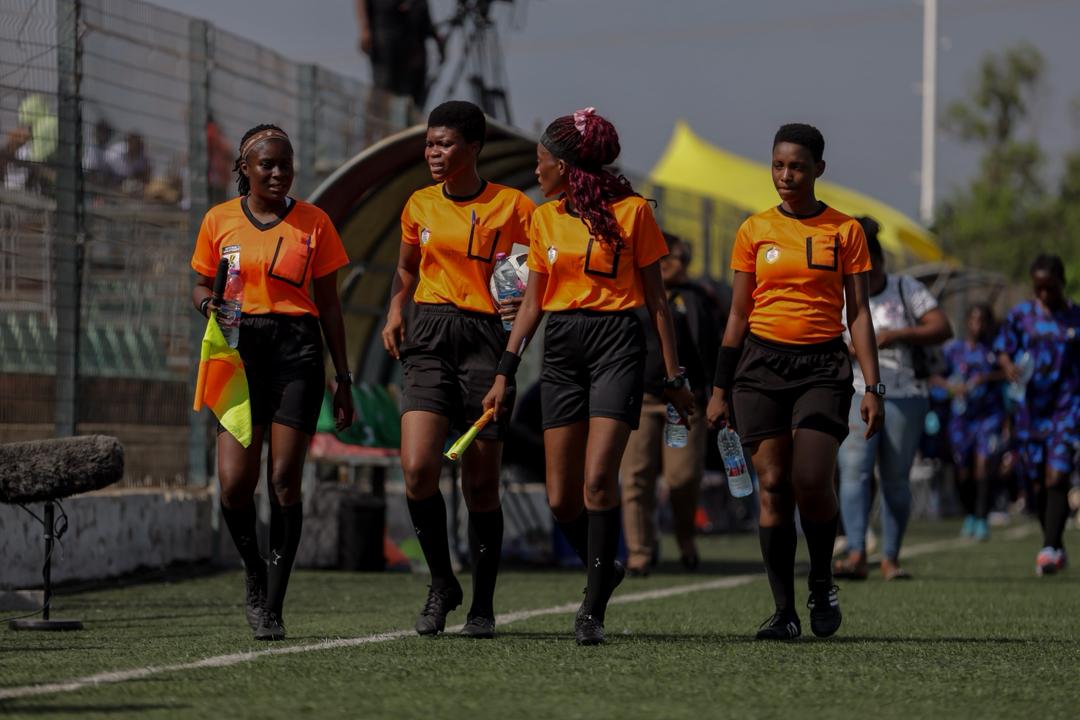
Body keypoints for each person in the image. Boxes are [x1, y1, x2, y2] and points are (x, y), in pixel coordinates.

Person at [484, 107, 695, 646]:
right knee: (561, 498)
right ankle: (606, 566)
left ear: (565, 164)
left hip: (617, 346)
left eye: (541, 161)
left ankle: (593, 607)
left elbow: (658, 303)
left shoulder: (633, 214)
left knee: (600, 480)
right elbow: (532, 302)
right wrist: (505, 371)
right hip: (562, 348)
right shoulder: (543, 216)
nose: (536, 171)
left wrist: (674, 376)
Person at [706, 123, 884, 641]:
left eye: (798, 166)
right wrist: (719, 388)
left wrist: (873, 388)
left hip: (822, 368)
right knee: (775, 487)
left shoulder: (844, 231)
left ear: (819, 170)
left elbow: (860, 315)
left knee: (810, 478)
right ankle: (783, 612)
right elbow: (737, 315)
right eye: (779, 165)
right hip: (759, 368)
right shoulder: (753, 230)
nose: (786, 175)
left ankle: (823, 578)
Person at [190, 124, 354, 641]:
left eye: (286, 164)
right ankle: (254, 573)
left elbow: (329, 304)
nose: (279, 173)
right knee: (237, 483)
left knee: (284, 479)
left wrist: (343, 378)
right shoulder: (218, 220)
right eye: (267, 165)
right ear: (245, 169)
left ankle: (274, 603)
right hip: (237, 352)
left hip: (296, 350)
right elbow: (198, 282)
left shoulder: (315, 223)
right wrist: (205, 303)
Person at [381, 100, 534, 639]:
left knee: (481, 485)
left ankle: (483, 607)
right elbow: (404, 268)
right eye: (429, 144)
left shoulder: (514, 206)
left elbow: (531, 279)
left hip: (486, 344)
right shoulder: (418, 204)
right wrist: (396, 309)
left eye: (444, 144)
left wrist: (513, 337)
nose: (433, 153)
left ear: (473, 147)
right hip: (428, 338)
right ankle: (443, 582)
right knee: (419, 468)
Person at [833, 217, 952, 581]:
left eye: (867, 269)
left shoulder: (905, 288)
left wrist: (897, 333)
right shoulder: (839, 292)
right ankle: (856, 552)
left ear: (879, 264)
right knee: (854, 471)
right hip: (854, 390)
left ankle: (890, 557)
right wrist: (849, 347)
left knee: (896, 478)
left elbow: (942, 327)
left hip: (904, 394)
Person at [620, 233, 721, 576]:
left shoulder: (700, 298)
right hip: (642, 397)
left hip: (686, 398)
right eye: (672, 258)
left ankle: (684, 537)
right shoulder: (631, 294)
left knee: (683, 477)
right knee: (636, 477)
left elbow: (713, 346)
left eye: (679, 259)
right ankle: (639, 551)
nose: (679, 265)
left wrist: (714, 394)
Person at [995, 254, 1079, 576]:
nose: (1044, 295)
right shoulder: (1020, 316)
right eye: (1039, 289)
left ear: (1061, 284)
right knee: (1035, 481)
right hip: (1029, 409)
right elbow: (1003, 349)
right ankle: (1054, 542)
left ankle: (1048, 549)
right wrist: (1007, 366)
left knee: (1057, 475)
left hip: (1067, 407)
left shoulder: (1075, 318)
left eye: (1051, 288)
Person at [934, 304, 1006, 541]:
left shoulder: (996, 350)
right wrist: (951, 388)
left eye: (982, 320)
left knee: (983, 465)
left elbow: (1009, 373)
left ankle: (982, 517)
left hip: (988, 416)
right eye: (974, 320)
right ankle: (970, 513)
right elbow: (934, 375)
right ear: (967, 322)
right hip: (960, 418)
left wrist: (986, 377)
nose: (978, 325)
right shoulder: (953, 350)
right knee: (962, 471)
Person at [355, 0, 444, 110]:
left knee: (414, 97)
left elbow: (424, 15)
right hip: (387, 43)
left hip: (415, 47)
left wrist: (436, 38)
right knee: (385, 90)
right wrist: (365, 29)